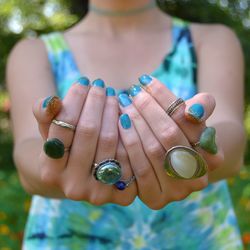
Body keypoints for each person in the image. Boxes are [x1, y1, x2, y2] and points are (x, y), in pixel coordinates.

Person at [6, 0, 245, 249]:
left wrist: (208, 148)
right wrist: (51, 164)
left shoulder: (213, 39)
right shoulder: (33, 52)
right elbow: (28, 153)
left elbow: (232, 142)